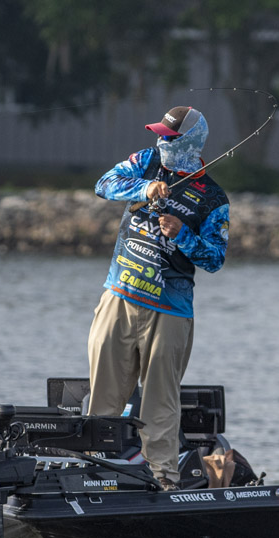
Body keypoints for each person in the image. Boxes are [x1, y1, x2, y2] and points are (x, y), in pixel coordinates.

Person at [88, 106, 229, 491]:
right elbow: (103, 184)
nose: (160, 141)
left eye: (169, 137)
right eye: (159, 134)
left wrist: (182, 234)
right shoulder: (145, 162)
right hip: (119, 296)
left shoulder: (214, 198)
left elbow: (215, 259)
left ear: (190, 141)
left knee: (160, 404)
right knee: (103, 396)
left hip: (171, 311)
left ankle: (164, 479)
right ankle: (93, 470)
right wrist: (144, 188)